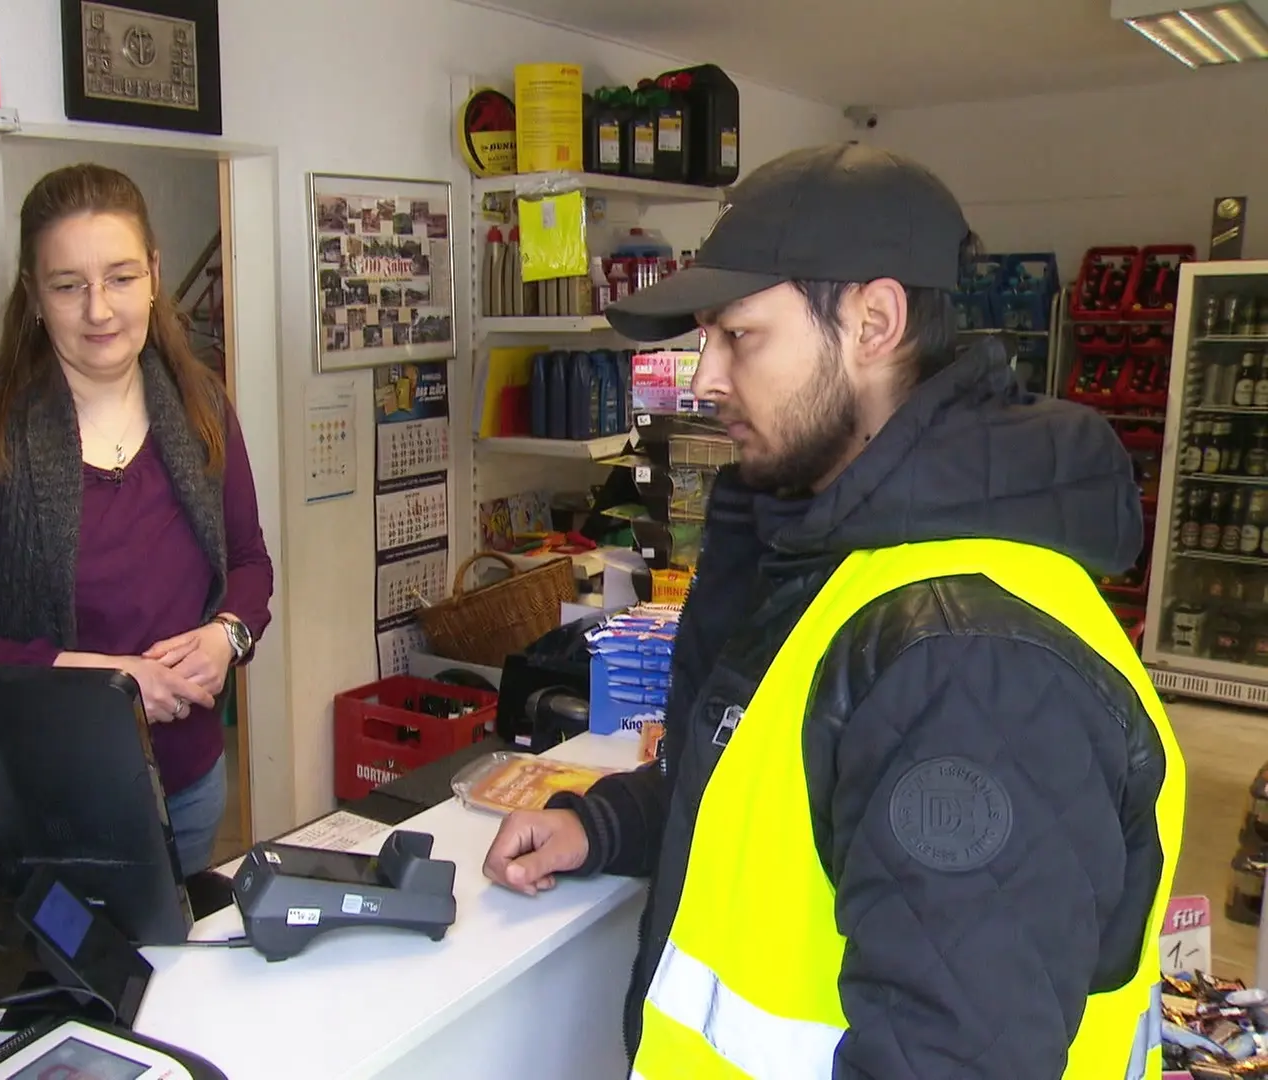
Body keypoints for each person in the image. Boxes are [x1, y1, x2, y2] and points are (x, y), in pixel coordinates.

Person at [482, 144, 1184, 1079]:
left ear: (873, 322)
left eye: (740, 335)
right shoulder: (846, 559)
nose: (704, 379)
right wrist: (605, 825)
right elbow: (777, 794)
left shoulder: (964, 660)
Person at [0, 163, 274, 877]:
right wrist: (112, 682)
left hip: (189, 786)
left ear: (156, 276)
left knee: (178, 978)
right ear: (35, 296)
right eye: (69, 285)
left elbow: (250, 562)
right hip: (43, 796)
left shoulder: (202, 410)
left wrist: (227, 635)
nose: (100, 310)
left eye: (122, 278)